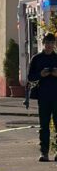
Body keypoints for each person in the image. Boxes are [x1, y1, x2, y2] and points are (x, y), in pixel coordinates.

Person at [27, 33, 57, 161]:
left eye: (52, 43)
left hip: (56, 96)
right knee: (44, 126)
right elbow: (30, 77)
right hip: (43, 96)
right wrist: (40, 74)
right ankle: (44, 152)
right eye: (47, 43)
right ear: (43, 43)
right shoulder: (37, 58)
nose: (49, 45)